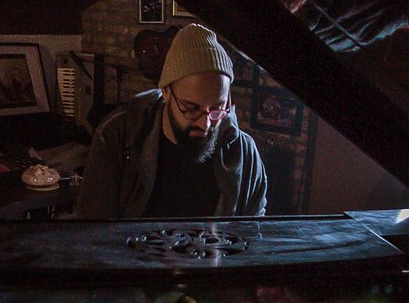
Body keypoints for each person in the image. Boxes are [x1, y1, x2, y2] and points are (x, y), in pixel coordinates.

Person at [75, 24, 267, 219]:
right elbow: (92, 226)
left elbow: (254, 228)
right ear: (166, 91)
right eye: (192, 109)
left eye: (217, 108)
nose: (206, 124)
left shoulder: (244, 152)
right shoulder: (118, 135)